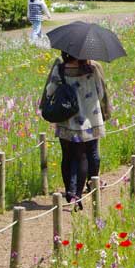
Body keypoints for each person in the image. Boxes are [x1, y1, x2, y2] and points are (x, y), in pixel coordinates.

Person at [41, 51, 111, 209]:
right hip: (88, 122)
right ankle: (78, 196)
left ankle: (70, 191)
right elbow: (100, 94)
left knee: (67, 156)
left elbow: (50, 91)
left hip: (66, 121)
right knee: (82, 157)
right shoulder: (92, 69)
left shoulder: (59, 69)